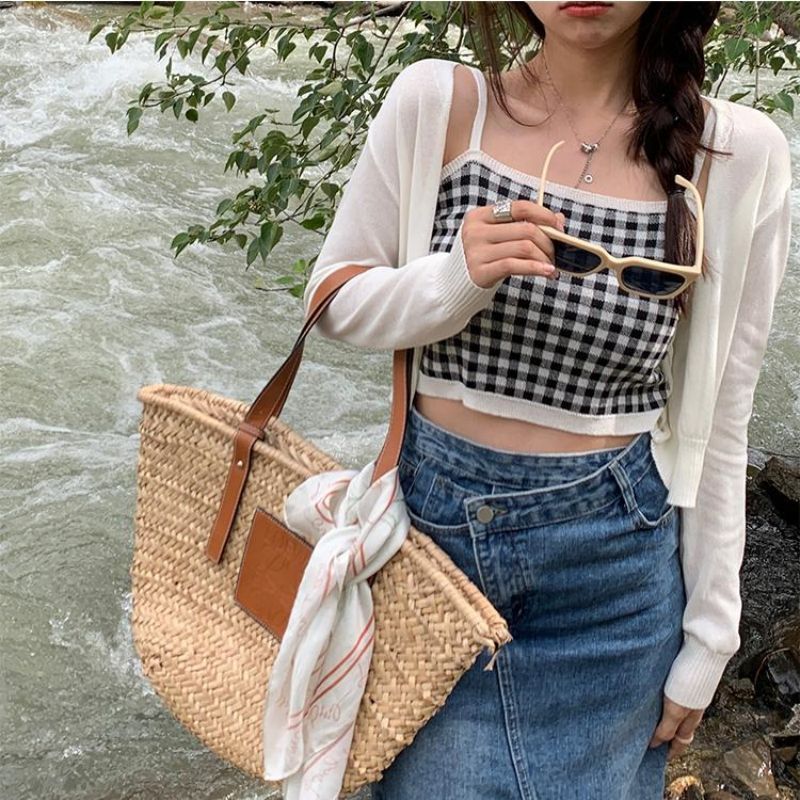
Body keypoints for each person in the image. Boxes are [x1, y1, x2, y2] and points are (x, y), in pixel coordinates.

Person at [302, 2, 793, 798]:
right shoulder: (439, 101)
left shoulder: (738, 154)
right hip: (432, 564)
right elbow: (332, 300)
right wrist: (454, 280)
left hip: (618, 582)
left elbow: (722, 420)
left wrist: (711, 637)